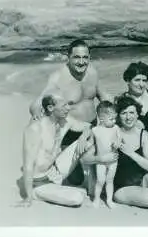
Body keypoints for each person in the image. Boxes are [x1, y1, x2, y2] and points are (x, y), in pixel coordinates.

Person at [29, 39, 113, 188]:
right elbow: (39, 101)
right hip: (70, 132)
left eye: (85, 57)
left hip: (92, 127)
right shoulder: (58, 78)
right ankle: (61, 159)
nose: (82, 62)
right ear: (68, 57)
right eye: (77, 57)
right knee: (77, 180)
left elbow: (104, 96)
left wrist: (112, 112)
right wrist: (35, 112)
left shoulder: (92, 72)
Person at [18, 93, 117, 208]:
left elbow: (90, 126)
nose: (69, 108)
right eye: (64, 106)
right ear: (50, 108)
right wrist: (28, 198)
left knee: (91, 140)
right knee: (77, 198)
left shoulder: (65, 121)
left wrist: (83, 137)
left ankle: (93, 188)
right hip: (39, 182)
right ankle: (36, 194)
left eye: (68, 104)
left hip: (55, 171)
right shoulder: (35, 129)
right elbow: (28, 165)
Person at [90, 101, 121, 209]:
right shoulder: (95, 130)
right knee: (100, 180)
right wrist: (85, 143)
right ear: (101, 119)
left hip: (113, 160)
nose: (114, 121)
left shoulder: (116, 128)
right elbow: (90, 142)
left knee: (110, 180)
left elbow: (120, 139)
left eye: (115, 118)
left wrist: (118, 143)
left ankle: (109, 200)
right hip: (100, 161)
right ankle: (96, 199)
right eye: (111, 119)